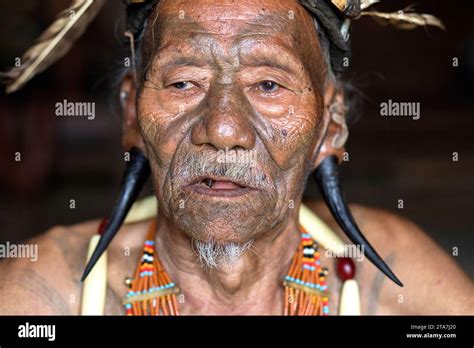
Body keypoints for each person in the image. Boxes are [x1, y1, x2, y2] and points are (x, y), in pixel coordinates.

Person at [1, 0, 472, 315]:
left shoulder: (397, 286)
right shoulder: (44, 292)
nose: (223, 130)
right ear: (131, 114)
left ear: (331, 124)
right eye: (183, 82)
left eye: (269, 85)